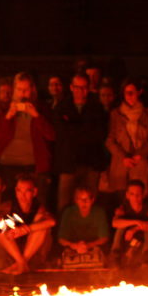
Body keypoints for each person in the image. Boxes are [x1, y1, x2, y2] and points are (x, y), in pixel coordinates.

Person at [53, 72, 108, 212]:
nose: (81, 91)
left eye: (84, 87)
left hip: (91, 162)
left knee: (89, 203)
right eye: (77, 87)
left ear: (88, 88)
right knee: (64, 205)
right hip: (68, 162)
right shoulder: (62, 107)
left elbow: (100, 134)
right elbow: (61, 134)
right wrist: (84, 130)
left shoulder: (96, 108)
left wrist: (73, 127)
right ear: (71, 87)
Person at [0, 72, 56, 192]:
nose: (22, 93)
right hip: (8, 165)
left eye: (26, 89)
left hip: (33, 167)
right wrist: (8, 116)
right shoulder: (5, 109)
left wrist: (36, 116)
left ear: (32, 90)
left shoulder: (42, 109)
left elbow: (51, 135)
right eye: (19, 89)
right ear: (14, 90)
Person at [105, 77, 148, 199]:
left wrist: (140, 154)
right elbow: (110, 140)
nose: (128, 95)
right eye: (126, 92)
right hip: (121, 165)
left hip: (141, 164)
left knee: (140, 198)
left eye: (132, 92)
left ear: (139, 92)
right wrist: (123, 156)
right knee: (120, 200)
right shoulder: (116, 114)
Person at [0, 173, 55, 274]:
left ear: (34, 192)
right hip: (10, 252)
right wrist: (9, 225)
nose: (22, 195)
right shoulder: (8, 206)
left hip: (31, 253)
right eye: (19, 191)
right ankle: (21, 263)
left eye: (27, 191)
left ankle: (21, 263)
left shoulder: (38, 208)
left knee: (42, 228)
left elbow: (51, 222)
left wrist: (25, 229)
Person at [111, 180, 148, 270]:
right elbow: (115, 223)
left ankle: (146, 262)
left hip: (144, 242)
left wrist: (135, 229)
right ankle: (115, 259)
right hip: (127, 240)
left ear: (143, 195)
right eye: (132, 194)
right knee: (120, 228)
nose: (135, 198)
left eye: (138, 194)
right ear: (127, 195)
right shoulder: (123, 208)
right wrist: (137, 222)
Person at [57, 186, 110, 269]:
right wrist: (74, 245)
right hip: (73, 250)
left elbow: (104, 238)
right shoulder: (69, 212)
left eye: (87, 199)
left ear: (92, 200)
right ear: (76, 201)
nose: (84, 202)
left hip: (94, 248)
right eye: (80, 199)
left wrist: (89, 245)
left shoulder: (99, 212)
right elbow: (61, 239)